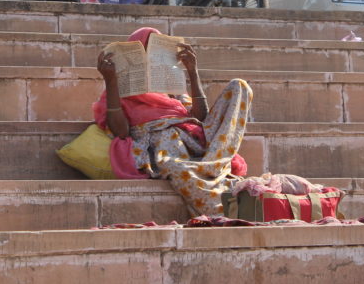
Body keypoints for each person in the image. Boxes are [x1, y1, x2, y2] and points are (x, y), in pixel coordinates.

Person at [94, 27, 252, 216]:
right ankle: (220, 211)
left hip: (195, 138)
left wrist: (193, 73)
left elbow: (200, 117)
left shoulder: (170, 88)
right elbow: (120, 132)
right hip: (162, 143)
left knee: (239, 86)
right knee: (177, 167)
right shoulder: (119, 89)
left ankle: (214, 162)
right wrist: (111, 82)